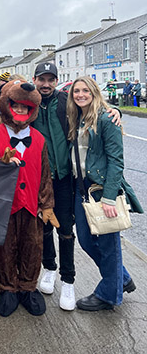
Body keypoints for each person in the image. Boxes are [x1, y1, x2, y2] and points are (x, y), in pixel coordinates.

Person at [32, 62, 120, 311]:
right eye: (42, 79)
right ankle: (48, 268)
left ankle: (68, 280)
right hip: (39, 178)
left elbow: (94, 110)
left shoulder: (66, 102)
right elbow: (2, 106)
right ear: (35, 79)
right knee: (44, 225)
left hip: (66, 178)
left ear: (57, 81)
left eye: (51, 79)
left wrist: (115, 111)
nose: (46, 84)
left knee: (66, 228)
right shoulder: (30, 102)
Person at [67, 76, 143, 311]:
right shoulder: (77, 117)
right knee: (87, 240)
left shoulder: (107, 119)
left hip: (100, 189)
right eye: (76, 91)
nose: (80, 94)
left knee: (109, 244)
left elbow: (116, 161)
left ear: (94, 92)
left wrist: (109, 198)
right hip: (81, 189)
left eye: (85, 91)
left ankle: (109, 295)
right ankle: (121, 278)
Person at [0, 80, 56, 317]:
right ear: (7, 105)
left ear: (31, 109)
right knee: (4, 248)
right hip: (4, 207)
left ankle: (27, 287)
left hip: (31, 206)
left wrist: (47, 206)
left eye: (25, 107)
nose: (21, 111)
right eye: (16, 106)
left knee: (32, 247)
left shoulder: (40, 139)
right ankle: (8, 287)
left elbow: (45, 175)